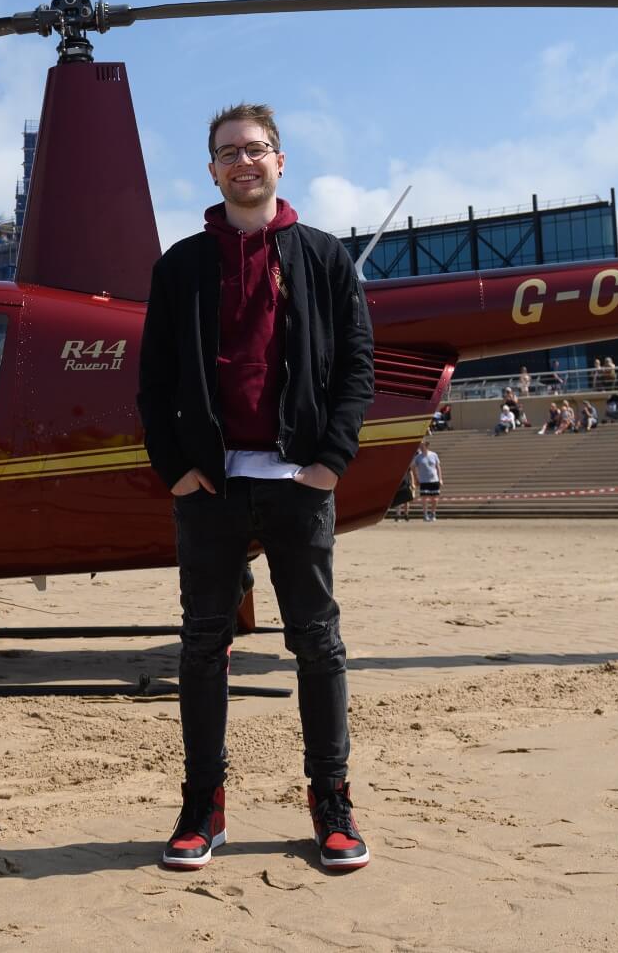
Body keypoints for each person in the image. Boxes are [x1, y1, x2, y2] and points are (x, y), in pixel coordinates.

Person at [139, 101, 374, 874]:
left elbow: (355, 371)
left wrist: (329, 464)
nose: (244, 162)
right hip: (210, 487)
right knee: (203, 645)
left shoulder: (324, 257)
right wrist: (175, 470)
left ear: (280, 161)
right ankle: (202, 803)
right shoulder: (179, 266)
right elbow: (152, 383)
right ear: (211, 170)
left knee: (318, 644)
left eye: (257, 149)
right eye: (228, 152)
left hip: (298, 481)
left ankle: (331, 802)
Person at [411, 439, 442, 522]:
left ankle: (433, 513)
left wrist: (440, 478)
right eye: (420, 445)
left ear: (426, 445)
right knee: (424, 498)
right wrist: (416, 478)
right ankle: (425, 514)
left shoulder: (434, 455)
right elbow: (413, 467)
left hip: (434, 479)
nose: (420, 447)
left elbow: (438, 467)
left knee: (435, 498)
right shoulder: (418, 457)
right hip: (424, 480)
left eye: (422, 445)